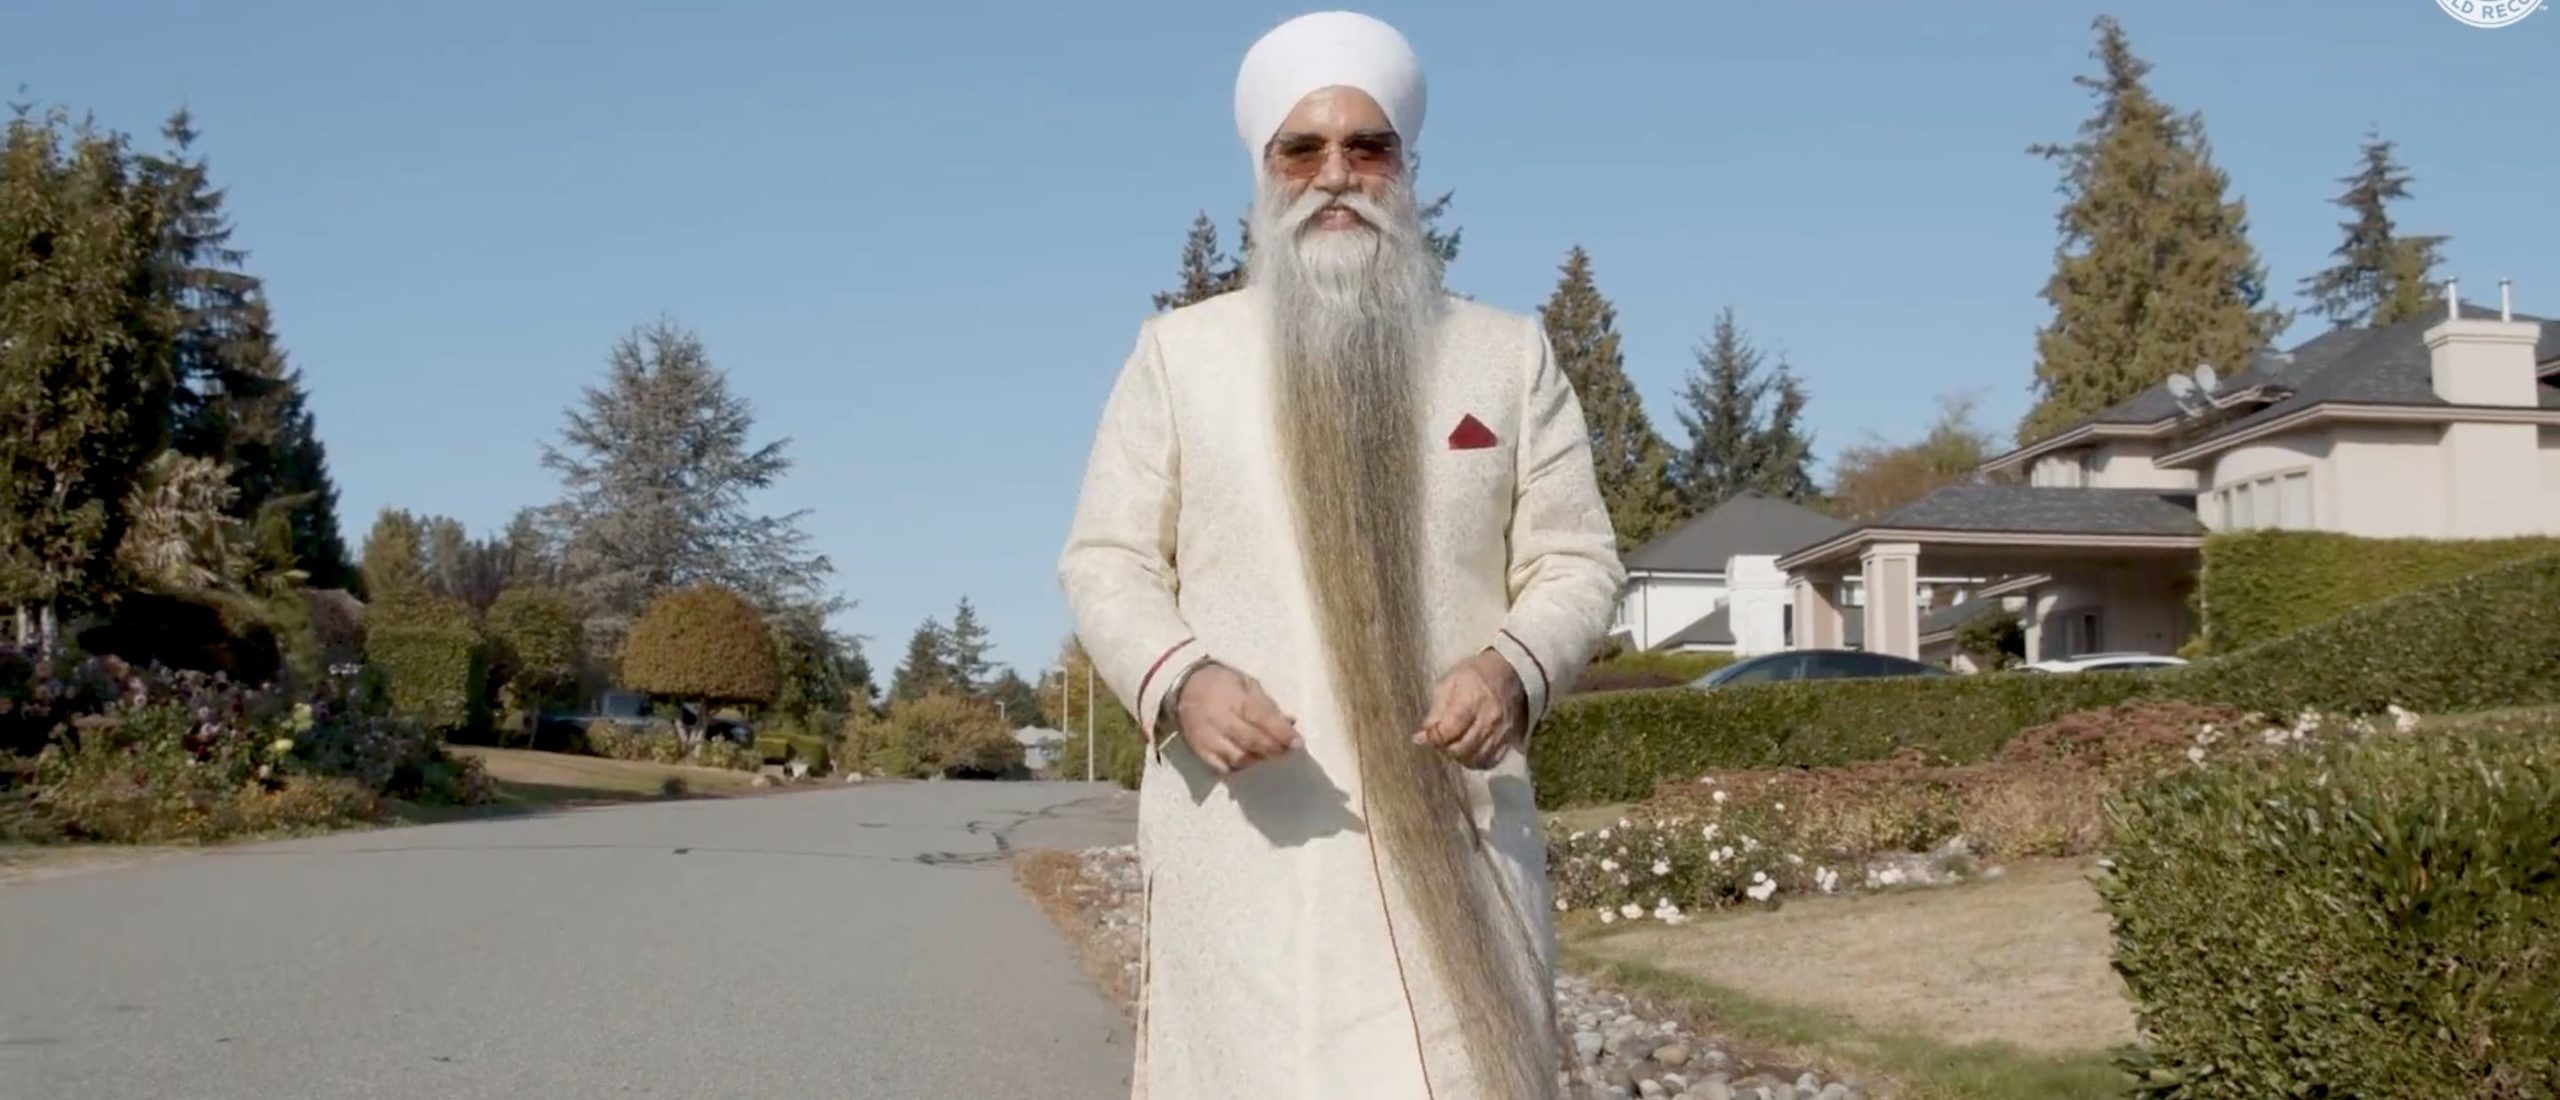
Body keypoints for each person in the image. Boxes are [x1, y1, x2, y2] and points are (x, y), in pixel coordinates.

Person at [1057, 11, 1624, 1099]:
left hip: (1454, 846)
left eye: (1367, 147)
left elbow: (1576, 560)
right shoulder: (1183, 357)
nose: (1336, 175)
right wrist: (1182, 679)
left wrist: (1512, 666)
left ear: (1405, 170)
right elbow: (1106, 559)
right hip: (1250, 849)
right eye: (1302, 149)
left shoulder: (1504, 355)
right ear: (1263, 173)